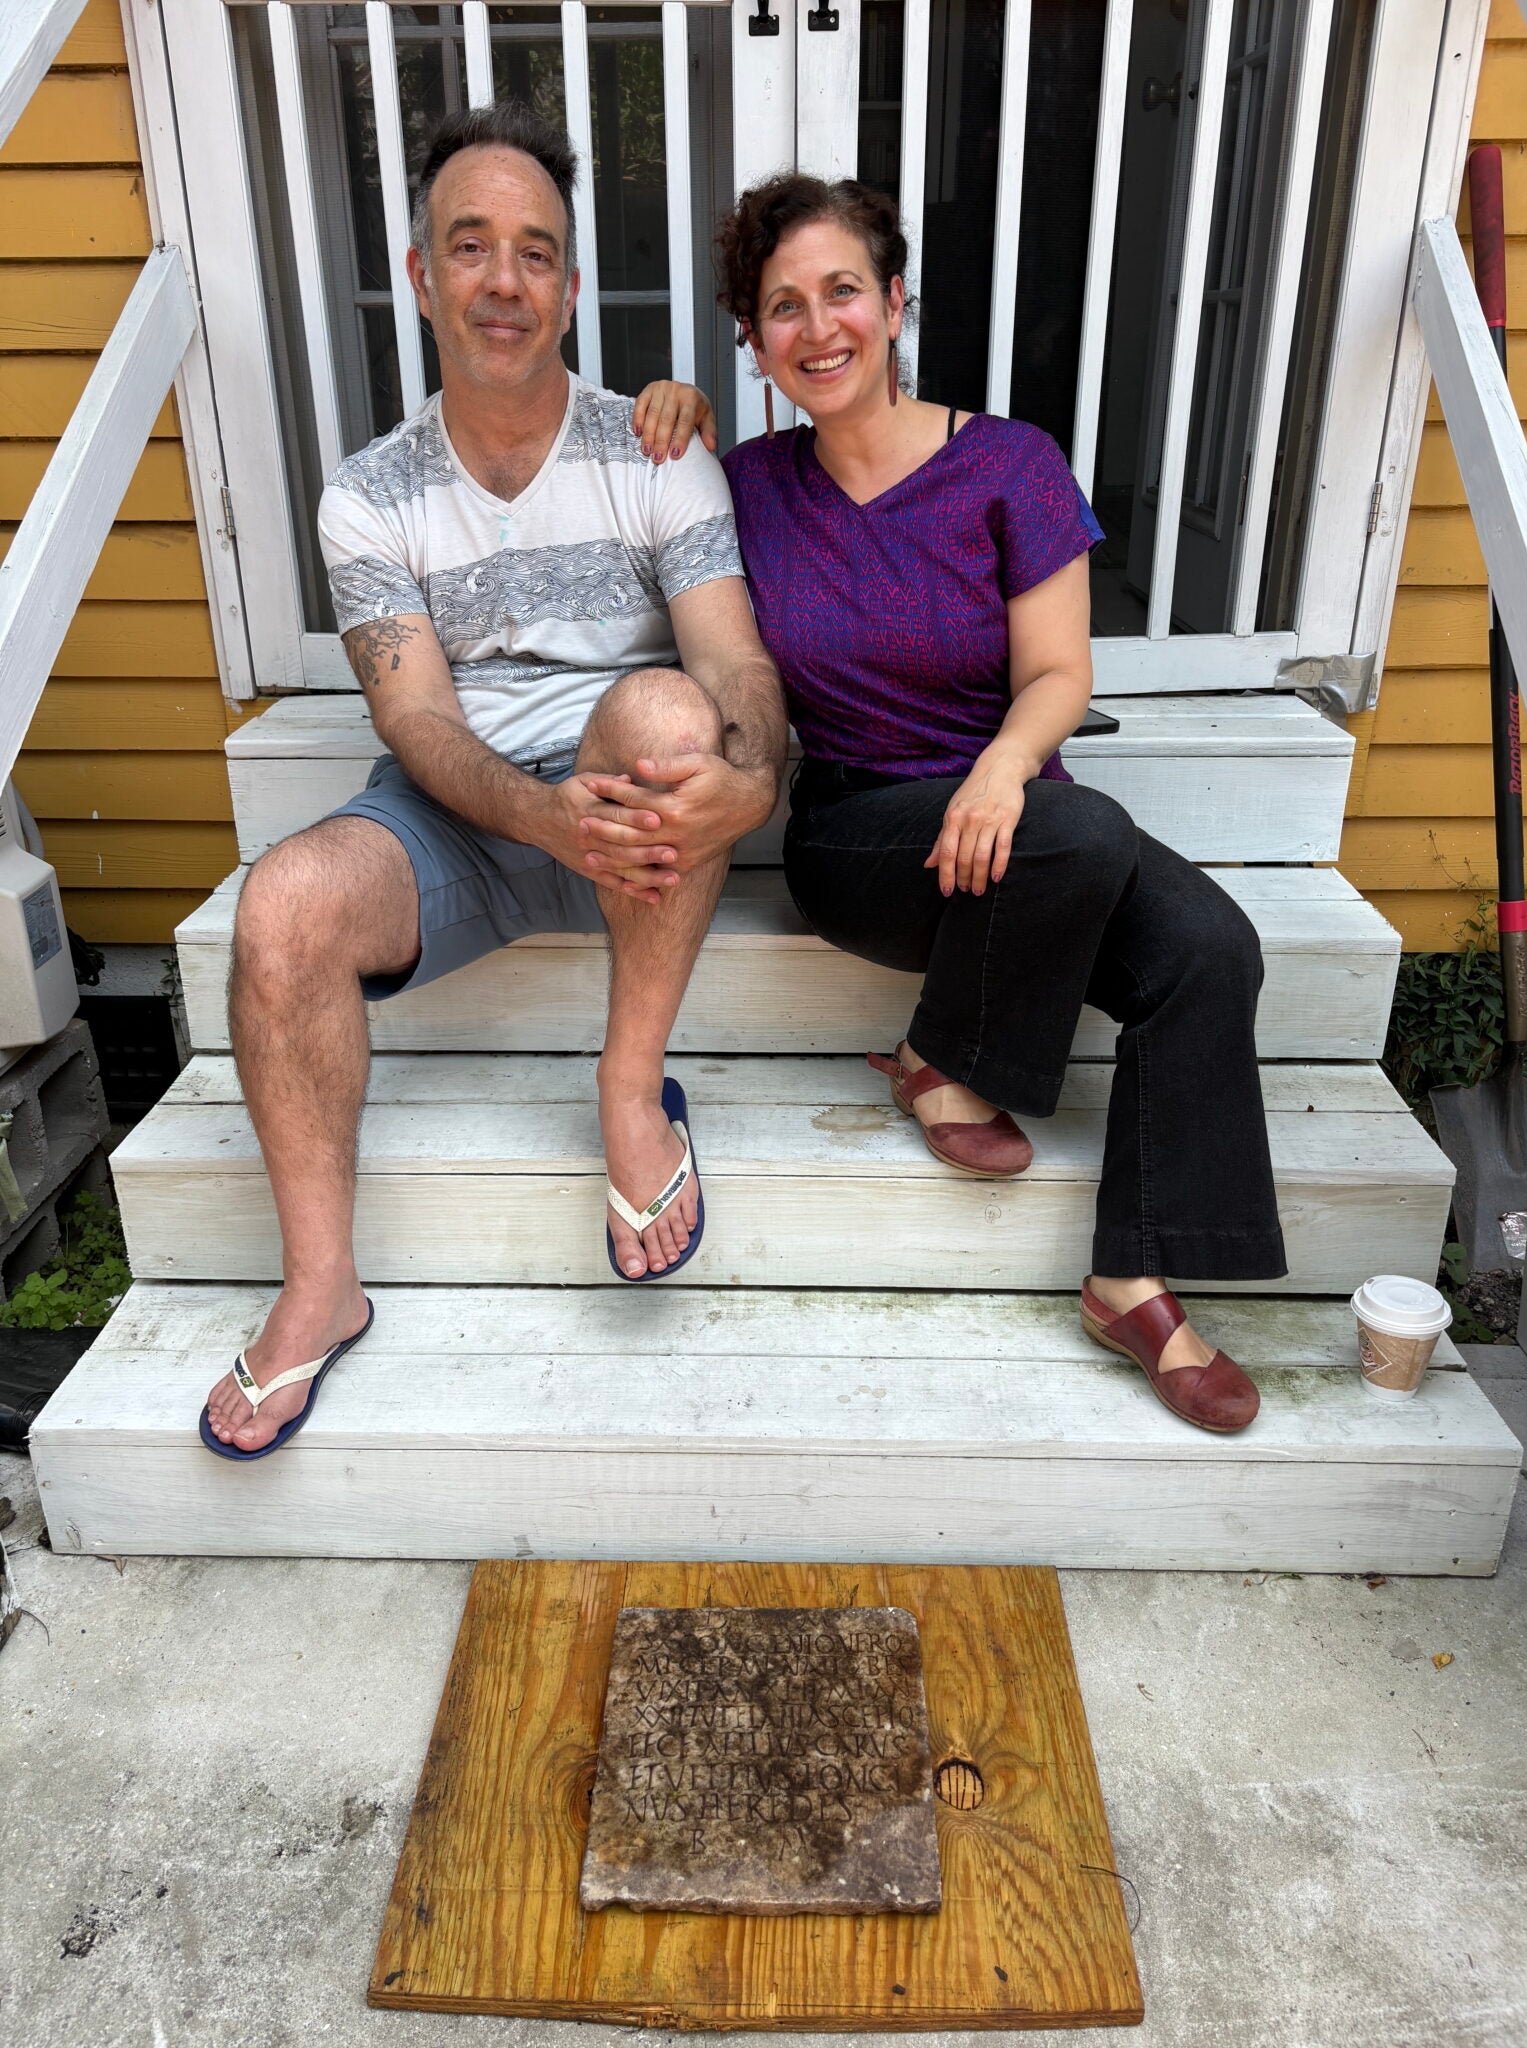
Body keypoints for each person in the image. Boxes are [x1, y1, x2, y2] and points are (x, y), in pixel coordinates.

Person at [611, 173, 1286, 1434]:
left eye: (844, 291)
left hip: (1021, 818)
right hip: (861, 834)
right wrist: (672, 403)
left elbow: (1060, 673)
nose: (820, 327)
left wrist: (1001, 765)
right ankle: (943, 1054)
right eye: (783, 307)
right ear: (754, 340)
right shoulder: (742, 483)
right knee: (1080, 833)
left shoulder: (1011, 464)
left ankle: (1131, 1273)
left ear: (895, 300)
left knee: (1210, 946)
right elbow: (630, 484)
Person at [201, 102, 785, 1459]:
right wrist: (535, 816)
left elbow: (737, 668)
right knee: (281, 906)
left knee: (667, 707)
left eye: (536, 252)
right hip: (463, 818)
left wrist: (751, 783)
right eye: (471, 247)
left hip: (635, 817)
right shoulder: (371, 494)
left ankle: (630, 1089)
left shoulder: (654, 451)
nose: (504, 281)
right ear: (422, 276)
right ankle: (320, 1285)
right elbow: (414, 718)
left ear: (571, 287)